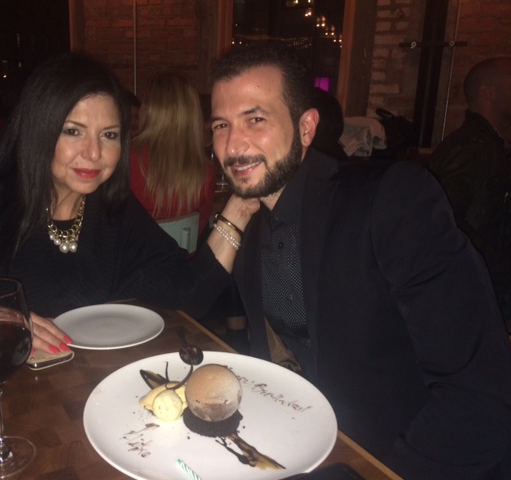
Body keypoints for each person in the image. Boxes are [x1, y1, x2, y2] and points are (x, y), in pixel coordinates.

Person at [209, 44, 511, 479]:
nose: (233, 145)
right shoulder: (252, 229)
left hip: (400, 459)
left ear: (306, 127)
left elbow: (478, 394)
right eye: (221, 125)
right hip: (302, 449)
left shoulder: (389, 198)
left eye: (255, 119)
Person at [0, 53, 255, 354]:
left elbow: (189, 295)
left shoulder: (114, 212)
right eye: (73, 131)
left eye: (109, 135)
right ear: (38, 130)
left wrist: (241, 205)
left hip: (72, 403)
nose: (94, 153)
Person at [428, 57, 511, 328]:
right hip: (472, 295)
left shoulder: (491, 146)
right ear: (488, 92)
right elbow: (444, 221)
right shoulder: (472, 148)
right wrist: (499, 266)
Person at [130, 71, 216, 237]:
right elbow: (198, 230)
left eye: (144, 102)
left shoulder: (123, 160)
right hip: (182, 253)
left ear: (153, 111)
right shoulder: (206, 172)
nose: (140, 110)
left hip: (128, 252)